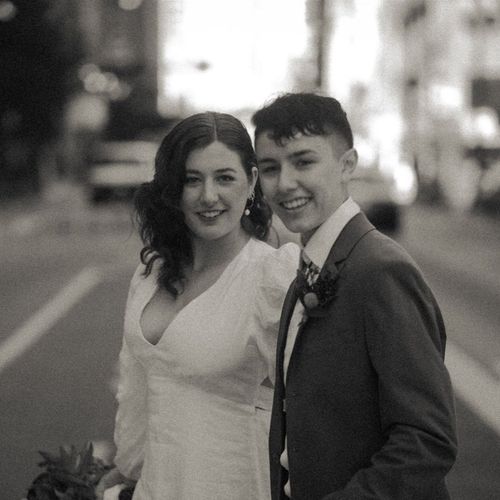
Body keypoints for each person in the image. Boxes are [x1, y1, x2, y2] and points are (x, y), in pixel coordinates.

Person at [252, 92, 458, 500]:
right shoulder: (310, 265)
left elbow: (427, 440)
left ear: (347, 164)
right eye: (270, 168)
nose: (285, 183)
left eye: (303, 162)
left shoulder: (380, 270)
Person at [96, 112, 299, 500]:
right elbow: (135, 389)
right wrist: (126, 470)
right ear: (173, 189)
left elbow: (315, 405)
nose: (208, 196)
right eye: (192, 180)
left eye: (224, 178)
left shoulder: (272, 277)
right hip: (154, 487)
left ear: (251, 182)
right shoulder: (151, 273)